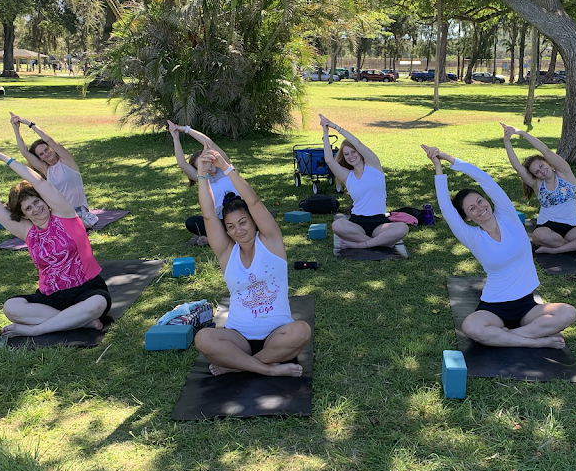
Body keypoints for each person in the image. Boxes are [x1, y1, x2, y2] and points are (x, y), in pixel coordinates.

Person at [423, 144, 576, 348]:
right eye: (472, 209)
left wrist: (448, 158)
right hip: (493, 307)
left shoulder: (508, 215)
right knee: (471, 327)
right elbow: (445, 206)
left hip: (526, 305)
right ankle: (533, 342)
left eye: (480, 201)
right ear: (467, 218)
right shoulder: (471, 236)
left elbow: (484, 178)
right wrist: (437, 168)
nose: (480, 208)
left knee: (568, 313)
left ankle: (509, 337)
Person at [193, 150, 311, 376]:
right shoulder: (227, 252)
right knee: (203, 338)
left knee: (302, 331)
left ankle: (237, 366)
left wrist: (227, 168)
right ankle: (267, 369)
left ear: (253, 221)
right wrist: (201, 175)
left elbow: (253, 200)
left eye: (243, 222)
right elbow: (208, 215)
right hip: (238, 338)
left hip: (277, 336)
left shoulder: (271, 242)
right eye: (230, 226)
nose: (238, 230)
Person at [0, 143, 111, 338]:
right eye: (28, 209)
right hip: (50, 297)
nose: (36, 209)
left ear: (45, 201)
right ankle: (77, 321)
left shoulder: (65, 215)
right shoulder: (28, 231)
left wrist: (5, 158)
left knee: (98, 304)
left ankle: (37, 329)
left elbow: (38, 182)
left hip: (87, 289)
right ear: (23, 215)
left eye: (37, 202)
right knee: (11, 307)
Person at [501, 123, 576, 254]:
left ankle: (558, 249)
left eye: (541, 166)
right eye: (537, 172)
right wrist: (507, 140)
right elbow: (517, 167)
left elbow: (545, 151)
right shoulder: (538, 184)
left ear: (546, 161)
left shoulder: (566, 174)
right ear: (535, 176)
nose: (542, 171)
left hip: (571, 230)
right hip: (547, 229)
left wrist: (522, 133)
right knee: (538, 235)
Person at [320, 114, 409, 250]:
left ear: (360, 153)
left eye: (353, 152)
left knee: (402, 227)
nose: (351, 156)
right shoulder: (347, 176)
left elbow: (358, 143)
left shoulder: (374, 165)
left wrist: (335, 127)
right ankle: (378, 243)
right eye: (346, 154)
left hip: (379, 223)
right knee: (337, 225)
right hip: (357, 223)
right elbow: (329, 160)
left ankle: (362, 244)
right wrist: (325, 132)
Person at [9, 113, 99, 228]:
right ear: (40, 158)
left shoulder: (67, 161)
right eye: (41, 154)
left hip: (79, 211)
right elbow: (24, 152)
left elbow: (50, 140)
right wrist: (16, 128)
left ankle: (68, 227)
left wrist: (29, 124)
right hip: (60, 213)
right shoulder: (47, 170)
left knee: (90, 221)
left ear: (51, 148)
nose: (46, 154)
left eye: (46, 149)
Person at [166, 120, 236, 245]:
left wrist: (186, 129)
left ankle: (218, 238)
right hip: (221, 221)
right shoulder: (204, 179)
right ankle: (224, 236)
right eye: (202, 166)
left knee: (249, 218)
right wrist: (176, 138)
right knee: (192, 222)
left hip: (239, 213)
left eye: (207, 161)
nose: (208, 167)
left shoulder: (227, 168)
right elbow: (182, 165)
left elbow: (210, 143)